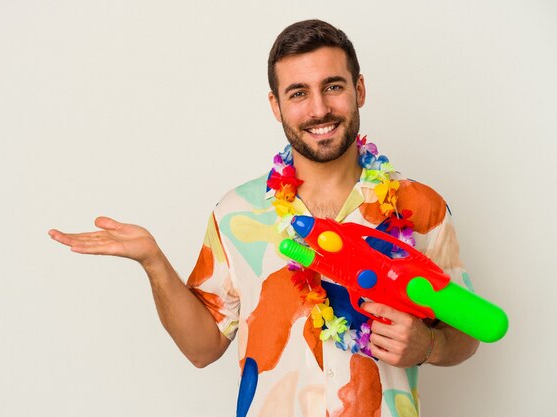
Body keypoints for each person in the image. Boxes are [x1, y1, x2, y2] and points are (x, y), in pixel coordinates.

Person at [49, 19, 479, 417]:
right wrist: (154, 263)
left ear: (360, 89)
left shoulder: (420, 208)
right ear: (276, 105)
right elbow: (202, 349)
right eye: (298, 93)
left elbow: (469, 330)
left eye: (333, 86)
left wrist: (428, 346)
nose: (319, 109)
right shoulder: (236, 213)